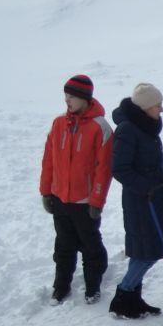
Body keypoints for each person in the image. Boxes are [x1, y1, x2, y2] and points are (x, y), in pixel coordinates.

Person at [39, 72, 112, 304]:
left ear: (84, 98)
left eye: (71, 96)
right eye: (65, 96)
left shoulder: (100, 127)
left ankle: (93, 287)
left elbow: (104, 169)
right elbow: (48, 160)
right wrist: (46, 191)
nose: (67, 101)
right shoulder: (59, 123)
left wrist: (97, 201)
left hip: (85, 202)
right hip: (61, 198)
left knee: (91, 246)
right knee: (63, 245)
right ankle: (61, 287)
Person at [108, 84, 163, 320]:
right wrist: (148, 187)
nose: (161, 109)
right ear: (145, 107)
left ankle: (133, 298)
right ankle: (123, 296)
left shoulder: (147, 126)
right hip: (141, 200)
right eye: (157, 105)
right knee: (148, 252)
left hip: (155, 196)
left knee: (145, 250)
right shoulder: (127, 129)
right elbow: (120, 169)